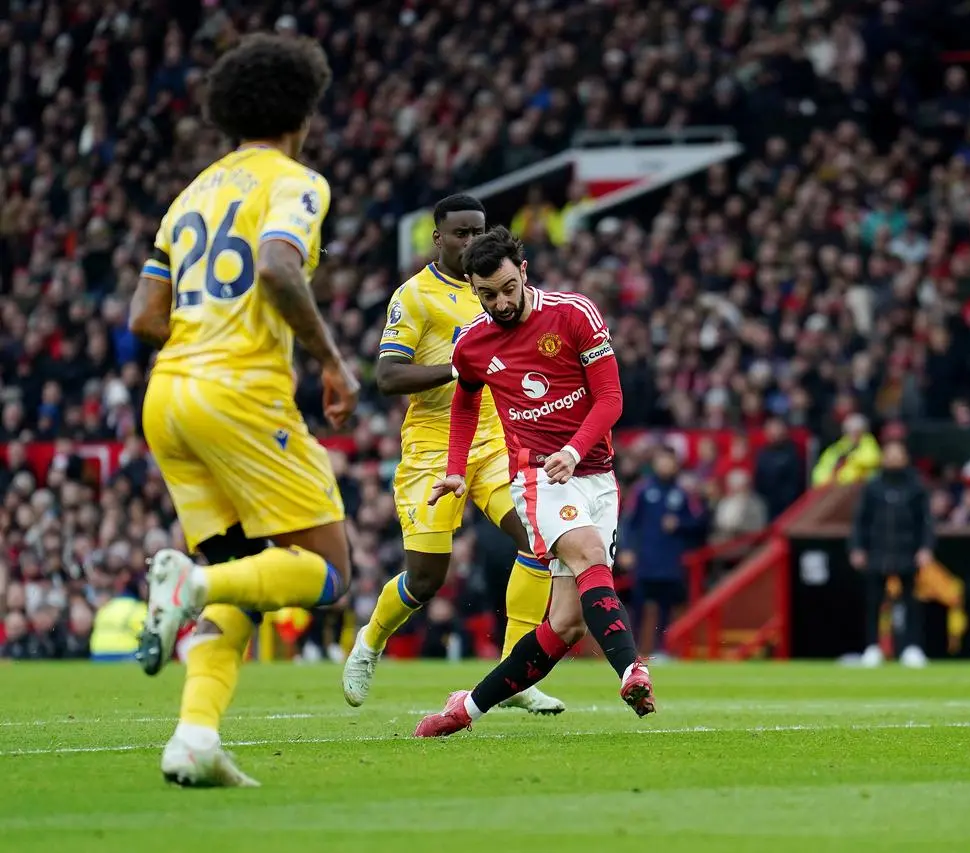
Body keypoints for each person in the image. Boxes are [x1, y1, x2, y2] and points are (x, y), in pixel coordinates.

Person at [128, 33, 359, 787]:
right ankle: (188, 587)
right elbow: (275, 265)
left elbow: (144, 315)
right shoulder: (296, 181)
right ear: (305, 109)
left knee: (245, 574)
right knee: (327, 570)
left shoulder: (189, 192)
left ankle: (193, 739)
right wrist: (329, 359)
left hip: (168, 396)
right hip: (240, 392)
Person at [414, 227, 653, 738]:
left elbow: (610, 399)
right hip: (538, 475)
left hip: (595, 473)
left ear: (523, 272)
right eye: (486, 294)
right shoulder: (473, 344)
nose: (499, 302)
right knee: (588, 553)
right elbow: (465, 403)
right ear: (473, 290)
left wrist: (575, 449)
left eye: (506, 288)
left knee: (565, 625)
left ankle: (465, 709)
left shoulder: (574, 314)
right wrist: (456, 468)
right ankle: (633, 670)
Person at [341, 194, 563, 715]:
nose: (469, 242)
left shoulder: (498, 289)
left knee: (537, 539)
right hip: (432, 450)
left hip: (496, 443)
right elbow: (388, 376)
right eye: (459, 234)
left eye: (477, 232)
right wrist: (461, 366)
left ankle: (516, 673)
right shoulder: (415, 297)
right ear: (437, 237)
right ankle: (370, 642)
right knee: (426, 578)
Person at [849, 440, 934, 668]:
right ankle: (872, 647)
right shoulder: (873, 486)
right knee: (874, 603)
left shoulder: (915, 486)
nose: (894, 458)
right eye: (890, 453)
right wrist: (857, 547)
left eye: (899, 453)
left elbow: (925, 521)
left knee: (911, 603)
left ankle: (912, 647)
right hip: (878, 550)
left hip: (906, 550)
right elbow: (860, 521)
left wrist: (926, 548)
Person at [621, 445, 707, 657]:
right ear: (655, 463)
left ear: (675, 464)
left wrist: (680, 523)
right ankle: (634, 651)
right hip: (644, 560)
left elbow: (700, 522)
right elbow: (628, 522)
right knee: (638, 607)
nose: (665, 465)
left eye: (669, 461)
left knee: (665, 608)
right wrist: (626, 549)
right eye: (662, 460)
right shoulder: (642, 490)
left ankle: (662, 650)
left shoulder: (683, 493)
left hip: (670, 562)